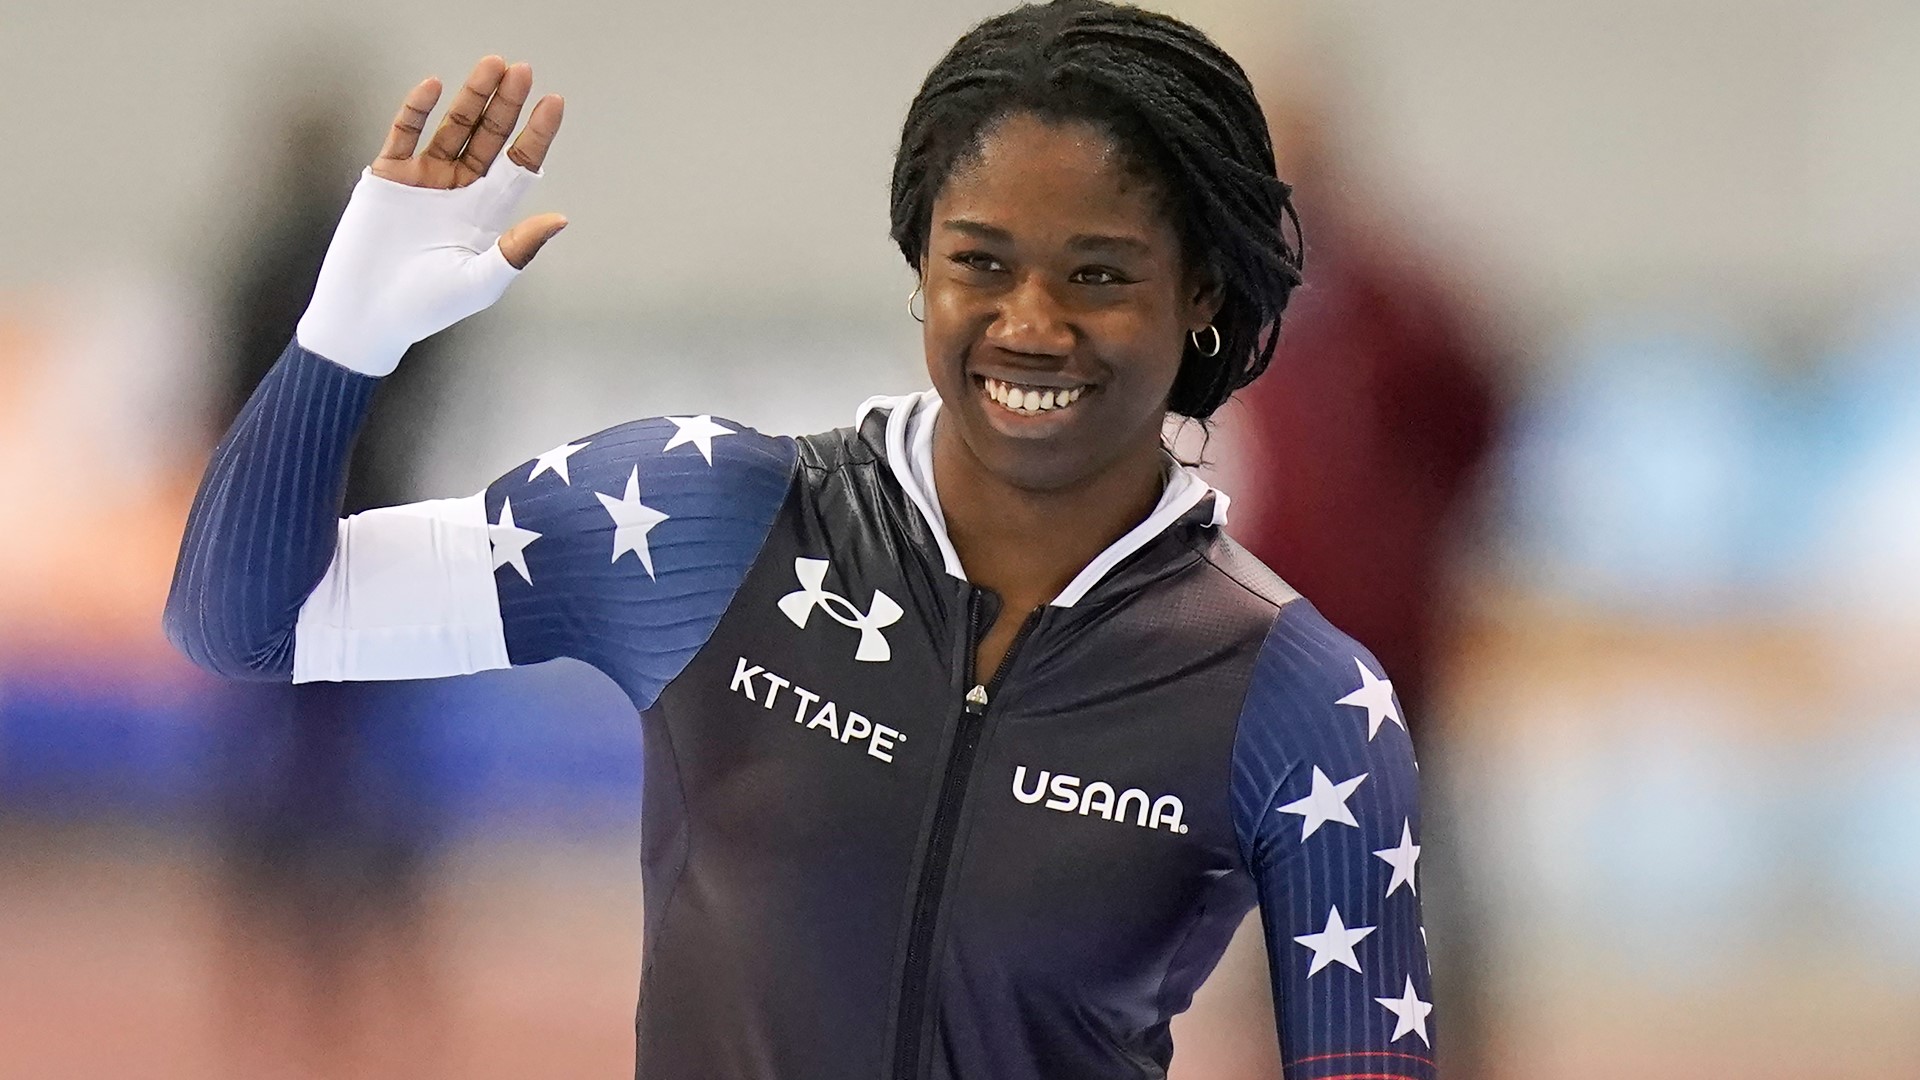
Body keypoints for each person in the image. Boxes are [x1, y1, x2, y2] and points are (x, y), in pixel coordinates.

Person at [165, 4, 1436, 1078]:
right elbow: (241, 626)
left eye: (1099, 274)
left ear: (1202, 291)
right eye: (977, 262)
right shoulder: (707, 520)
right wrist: (345, 337)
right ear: (918, 268)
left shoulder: (1299, 700)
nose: (1029, 325)